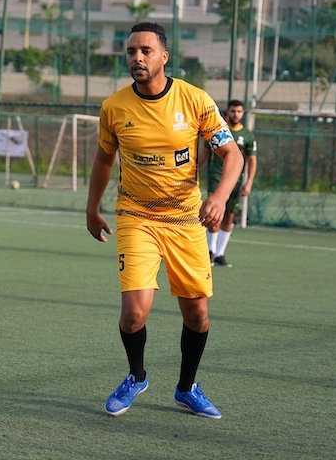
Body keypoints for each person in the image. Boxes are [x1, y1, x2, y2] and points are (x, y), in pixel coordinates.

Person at [86, 22, 243, 419]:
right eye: (131, 51)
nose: (137, 58)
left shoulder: (195, 100)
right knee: (133, 313)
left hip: (186, 219)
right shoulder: (114, 107)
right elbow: (104, 159)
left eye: (146, 51)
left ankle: (187, 388)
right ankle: (136, 376)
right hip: (135, 215)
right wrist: (91, 208)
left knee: (197, 314)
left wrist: (219, 198)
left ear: (164, 57)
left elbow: (233, 155)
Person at [204, 100, 257, 267]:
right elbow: (204, 153)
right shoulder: (216, 130)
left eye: (239, 111)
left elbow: (252, 161)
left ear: (243, 113)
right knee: (214, 214)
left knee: (229, 217)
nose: (236, 114)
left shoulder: (247, 135)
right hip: (216, 177)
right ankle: (210, 251)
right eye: (233, 111)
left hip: (235, 181)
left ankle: (220, 253)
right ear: (227, 112)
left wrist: (249, 182)